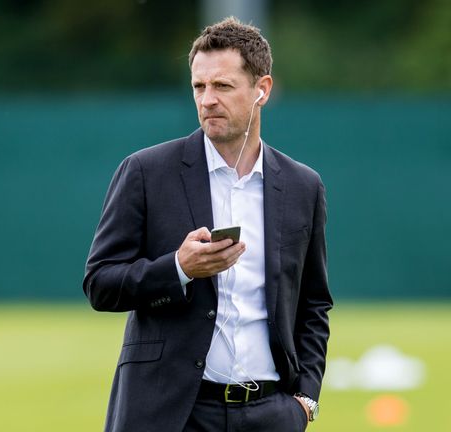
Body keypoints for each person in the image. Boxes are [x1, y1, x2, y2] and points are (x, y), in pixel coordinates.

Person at [83, 17, 332, 432]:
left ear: (262, 90)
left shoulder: (303, 186)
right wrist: (178, 269)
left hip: (270, 415)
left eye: (223, 86)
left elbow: (314, 303)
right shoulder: (146, 172)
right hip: (170, 414)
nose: (207, 99)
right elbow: (100, 283)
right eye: (199, 87)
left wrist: (304, 400)